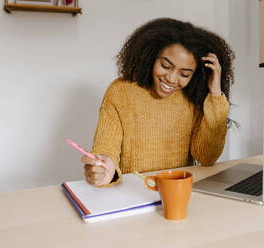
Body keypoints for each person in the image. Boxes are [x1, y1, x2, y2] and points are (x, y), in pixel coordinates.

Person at [81, 17, 235, 187]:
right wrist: (105, 168)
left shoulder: (192, 98)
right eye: (165, 66)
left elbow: (207, 157)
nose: (171, 78)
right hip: (133, 192)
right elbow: (106, 146)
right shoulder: (120, 92)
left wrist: (215, 93)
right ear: (151, 56)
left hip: (177, 191)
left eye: (184, 74)